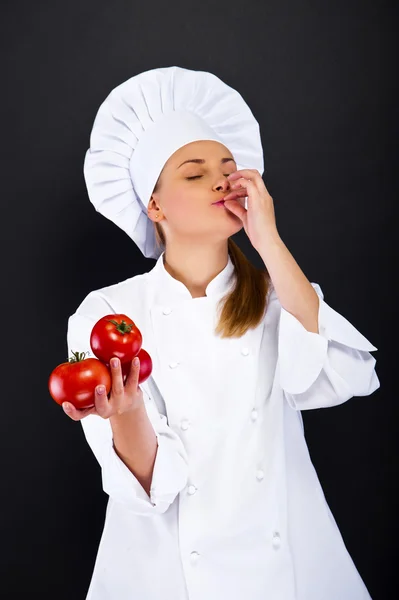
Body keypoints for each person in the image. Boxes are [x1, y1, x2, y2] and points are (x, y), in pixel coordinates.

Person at [63, 66, 380, 600]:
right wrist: (127, 411)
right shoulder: (110, 311)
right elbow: (150, 488)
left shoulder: (276, 292)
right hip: (165, 574)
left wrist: (269, 241)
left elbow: (344, 374)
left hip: (290, 568)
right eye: (194, 172)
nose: (221, 179)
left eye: (227, 168)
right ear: (155, 205)